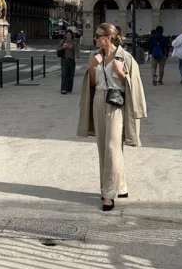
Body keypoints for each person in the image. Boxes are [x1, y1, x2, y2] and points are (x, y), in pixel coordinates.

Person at [77, 23, 147, 212]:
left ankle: (108, 194)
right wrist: (93, 67)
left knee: (112, 147)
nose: (95, 38)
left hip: (116, 103)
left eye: (98, 35)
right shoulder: (95, 56)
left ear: (108, 38)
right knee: (102, 147)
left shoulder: (125, 57)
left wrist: (120, 74)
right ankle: (120, 186)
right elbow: (92, 84)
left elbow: (135, 85)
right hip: (98, 100)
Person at [57, 29, 79, 95]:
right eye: (67, 35)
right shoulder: (63, 41)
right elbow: (58, 48)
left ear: (72, 35)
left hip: (71, 60)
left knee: (70, 75)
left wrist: (76, 57)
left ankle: (69, 88)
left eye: (69, 35)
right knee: (64, 74)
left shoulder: (74, 42)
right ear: (65, 35)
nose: (68, 36)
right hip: (64, 59)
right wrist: (62, 47)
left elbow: (76, 50)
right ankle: (63, 89)